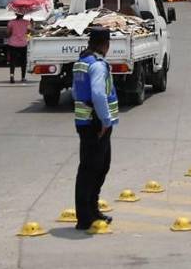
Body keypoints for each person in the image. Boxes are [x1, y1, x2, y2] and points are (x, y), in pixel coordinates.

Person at [72, 28, 119, 230]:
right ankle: (85, 216)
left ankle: (92, 209)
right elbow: (99, 94)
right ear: (105, 44)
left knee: (99, 166)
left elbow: (75, 91)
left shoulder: (82, 61)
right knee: (91, 169)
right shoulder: (98, 65)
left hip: (87, 121)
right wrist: (105, 121)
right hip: (96, 123)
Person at [6, 12, 30, 84]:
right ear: (23, 15)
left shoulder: (11, 22)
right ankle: (23, 77)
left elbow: (8, 33)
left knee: (12, 61)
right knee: (23, 61)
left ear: (16, 14)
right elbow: (29, 32)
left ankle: (12, 76)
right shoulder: (27, 22)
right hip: (23, 44)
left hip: (13, 44)